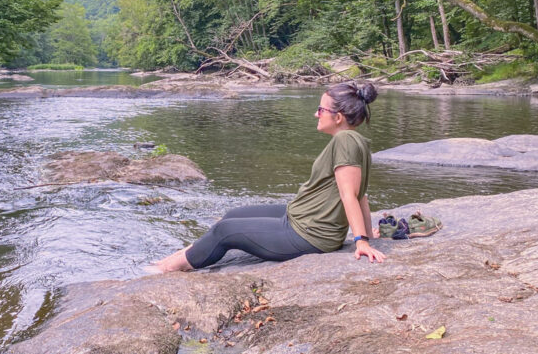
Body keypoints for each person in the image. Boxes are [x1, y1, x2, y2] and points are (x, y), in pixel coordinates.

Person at [151, 81, 386, 272]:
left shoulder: (345, 141)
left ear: (338, 117)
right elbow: (361, 194)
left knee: (225, 232)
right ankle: (175, 259)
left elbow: (350, 195)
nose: (316, 114)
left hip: (308, 234)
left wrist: (361, 242)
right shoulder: (354, 141)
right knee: (232, 216)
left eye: (321, 110)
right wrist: (367, 233)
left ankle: (162, 271)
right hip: (300, 217)